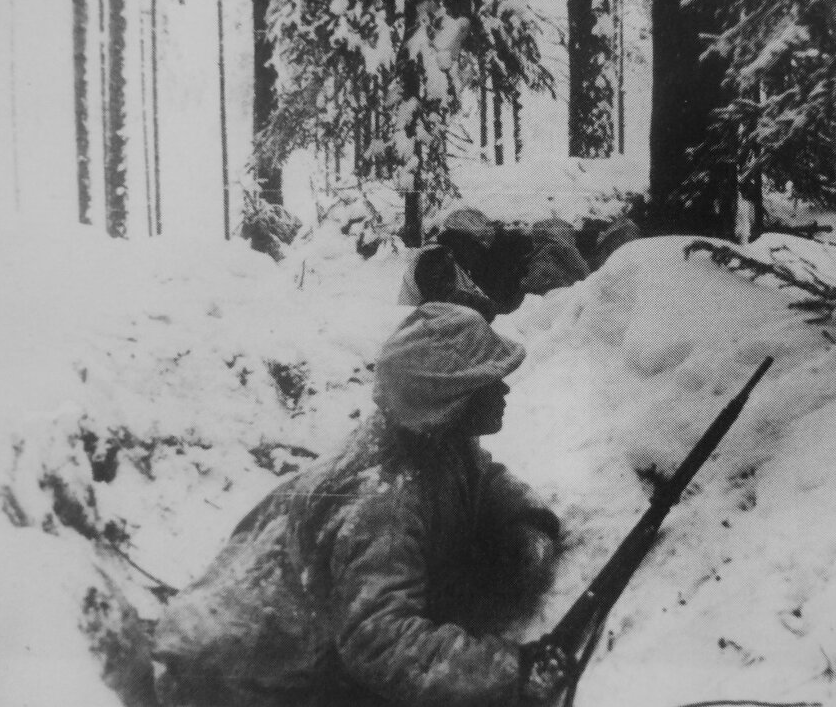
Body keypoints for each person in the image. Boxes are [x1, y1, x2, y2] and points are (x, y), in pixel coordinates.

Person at [153, 303, 569, 707]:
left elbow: (480, 476)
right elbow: (380, 641)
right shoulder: (386, 504)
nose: (504, 387)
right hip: (240, 675)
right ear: (451, 400)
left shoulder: (429, 439)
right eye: (489, 379)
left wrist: (525, 518)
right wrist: (509, 672)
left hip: (268, 633)